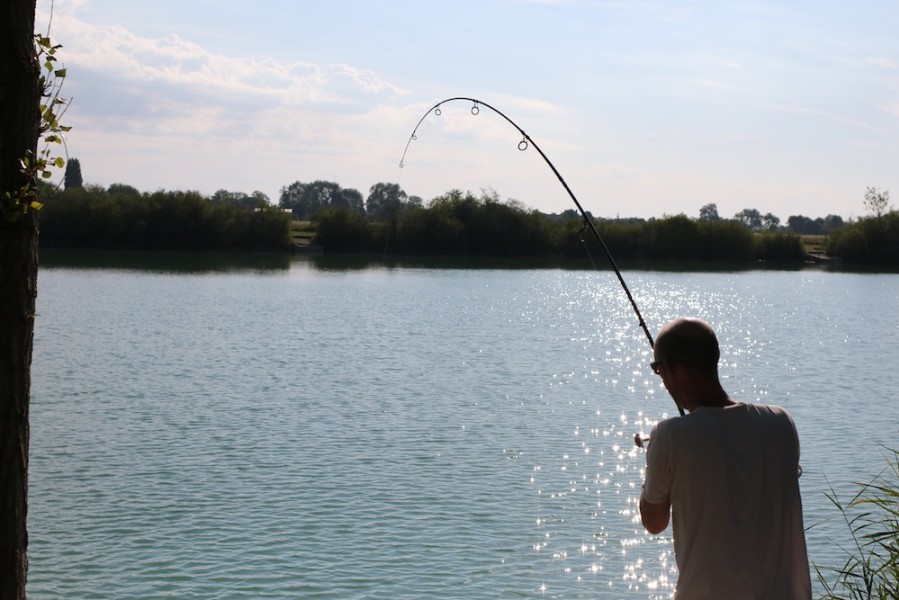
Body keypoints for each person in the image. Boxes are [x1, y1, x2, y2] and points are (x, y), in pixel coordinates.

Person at [639, 317, 811, 599]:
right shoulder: (781, 423)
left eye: (657, 369)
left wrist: (654, 456)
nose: (661, 378)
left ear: (670, 368)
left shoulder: (669, 436)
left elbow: (654, 522)